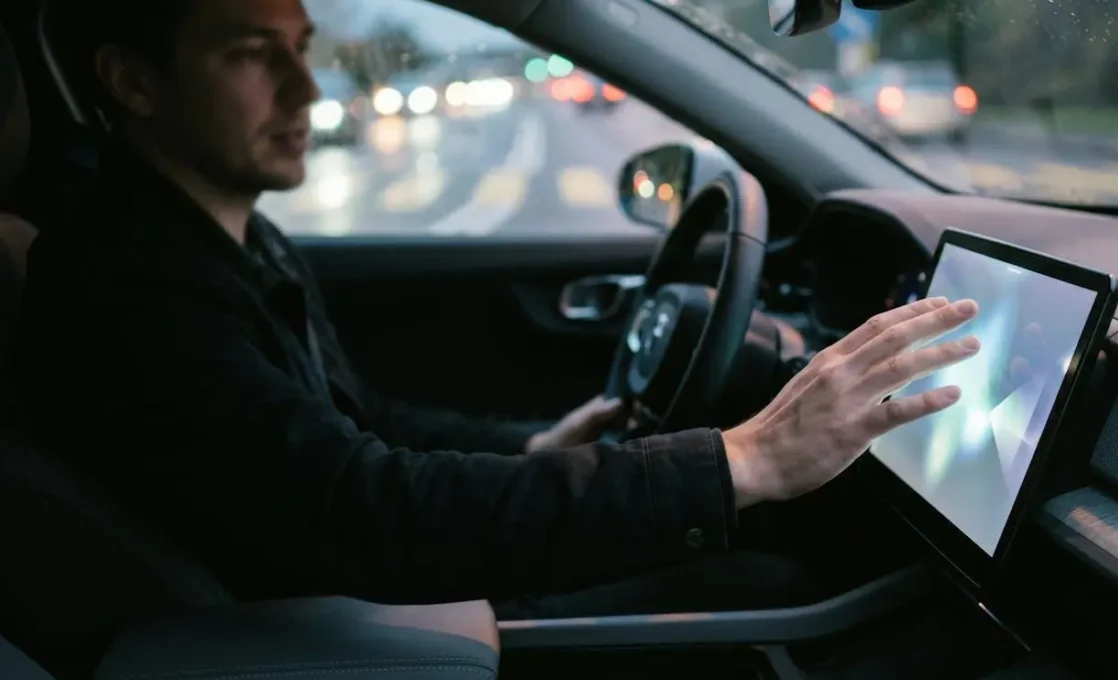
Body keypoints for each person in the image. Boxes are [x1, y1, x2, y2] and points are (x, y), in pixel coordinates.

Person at [16, 0, 981, 613]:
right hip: (314, 630)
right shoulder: (130, 285)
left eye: (302, 50)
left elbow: (357, 424)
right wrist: (745, 461)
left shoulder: (225, 239)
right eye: (251, 55)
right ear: (134, 83)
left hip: (334, 594)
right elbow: (351, 510)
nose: (307, 88)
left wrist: (535, 446)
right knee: (771, 583)